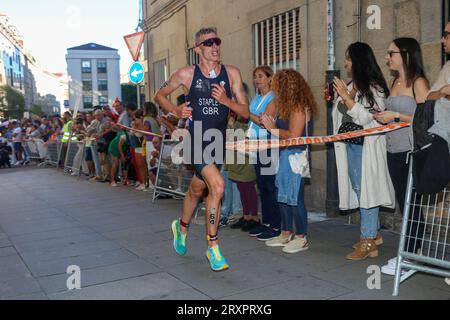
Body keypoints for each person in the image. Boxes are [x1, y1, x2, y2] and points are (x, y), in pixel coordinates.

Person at [155, 27, 249, 272]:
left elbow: (245, 112)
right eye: (208, 43)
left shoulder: (232, 74)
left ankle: (181, 226)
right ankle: (213, 246)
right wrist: (176, 111)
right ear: (198, 49)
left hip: (217, 142)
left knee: (197, 189)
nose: (214, 46)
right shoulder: (186, 74)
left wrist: (227, 102)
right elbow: (160, 94)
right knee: (217, 185)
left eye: (217, 41)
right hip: (195, 141)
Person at [332, 42, 395, 261]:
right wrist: (340, 97)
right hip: (350, 145)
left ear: (358, 60)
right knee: (360, 190)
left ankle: (367, 240)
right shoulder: (353, 85)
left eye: (349, 58)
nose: (346, 62)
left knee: (366, 190)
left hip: (365, 147)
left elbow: (369, 119)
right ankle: (374, 233)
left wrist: (346, 98)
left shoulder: (374, 88)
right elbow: (343, 113)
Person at [373, 38, 429, 276]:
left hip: (411, 151)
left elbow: (426, 118)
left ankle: (409, 255)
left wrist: (395, 115)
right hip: (393, 150)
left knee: (411, 203)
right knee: (403, 202)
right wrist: (382, 116)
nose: (387, 58)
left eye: (391, 53)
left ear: (405, 54)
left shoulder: (419, 82)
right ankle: (411, 253)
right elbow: (395, 116)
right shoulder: (395, 80)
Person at [259, 69, 316, 254]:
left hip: (296, 156)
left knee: (295, 197)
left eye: (278, 86)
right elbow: (264, 117)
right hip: (285, 154)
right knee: (282, 195)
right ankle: (286, 232)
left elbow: (293, 136)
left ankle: (301, 237)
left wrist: (273, 128)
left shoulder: (299, 106)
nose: (275, 90)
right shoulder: (284, 104)